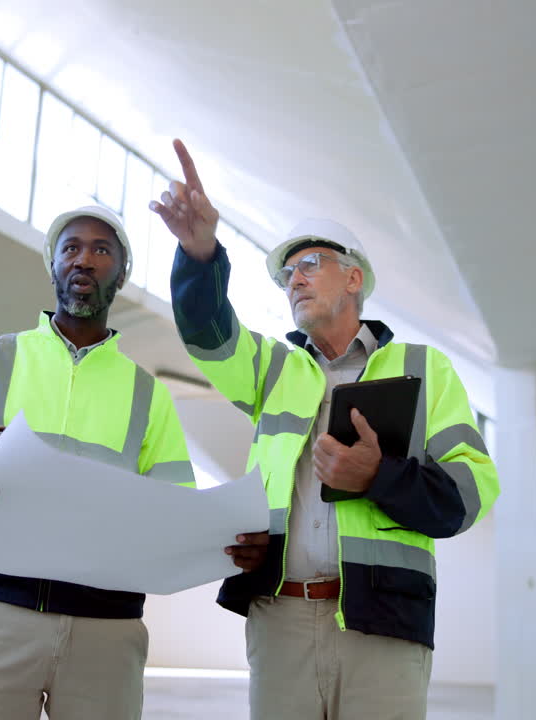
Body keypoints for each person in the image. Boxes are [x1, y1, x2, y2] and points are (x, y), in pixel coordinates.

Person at [151, 140, 499, 720]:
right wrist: (200, 253)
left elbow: (471, 493)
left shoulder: (424, 369)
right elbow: (207, 334)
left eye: (310, 264)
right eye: (288, 273)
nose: (295, 280)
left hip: (385, 624)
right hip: (281, 618)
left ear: (354, 277)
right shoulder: (273, 368)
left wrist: (379, 476)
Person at [0, 205, 195, 720]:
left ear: (121, 274)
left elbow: (179, 507)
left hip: (107, 629)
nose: (84, 259)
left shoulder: (148, 395)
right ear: (54, 266)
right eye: (71, 248)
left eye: (101, 250)